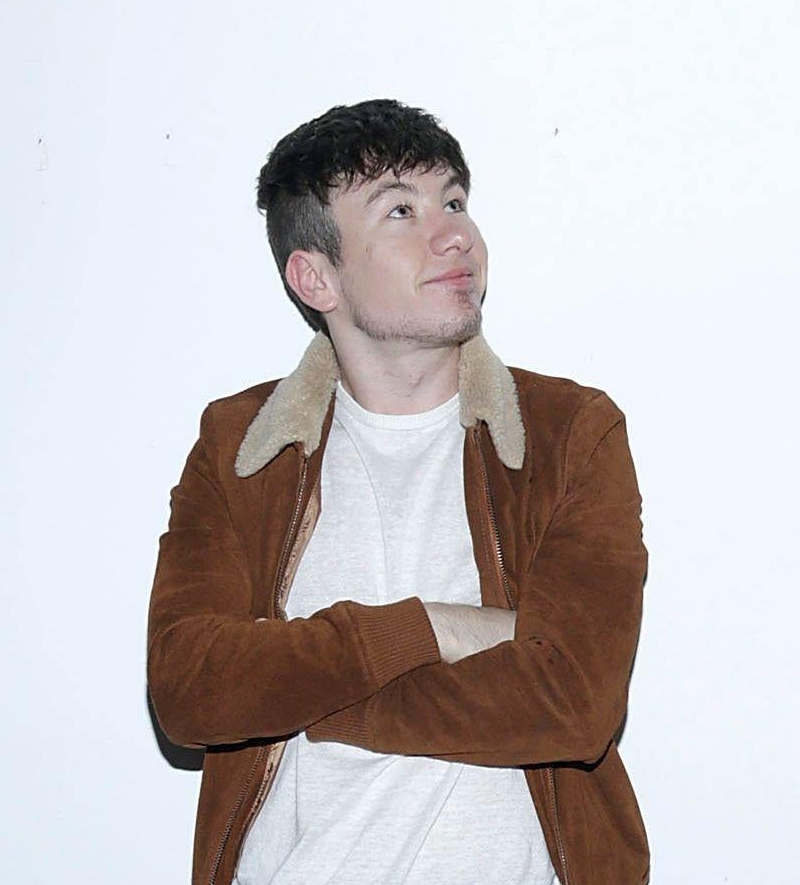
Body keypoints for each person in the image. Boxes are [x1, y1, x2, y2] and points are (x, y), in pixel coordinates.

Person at [147, 99, 648, 884]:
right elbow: (191, 688)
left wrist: (319, 701)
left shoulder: (566, 434)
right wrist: (429, 629)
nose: (454, 234)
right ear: (316, 276)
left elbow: (574, 700)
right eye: (401, 212)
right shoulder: (242, 450)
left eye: (453, 201)